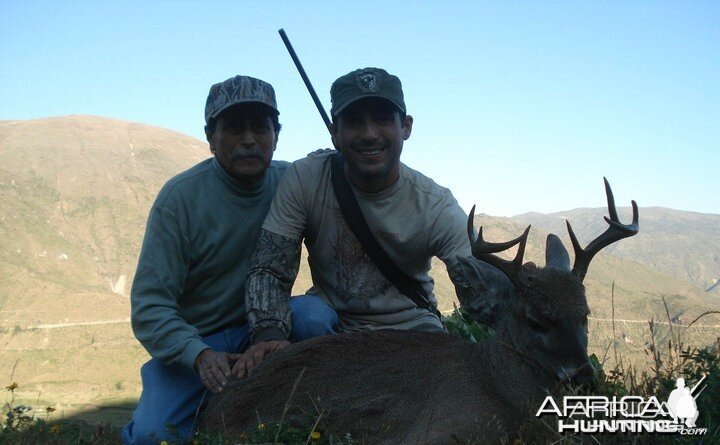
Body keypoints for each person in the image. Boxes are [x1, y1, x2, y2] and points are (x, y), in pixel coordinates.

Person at [122, 75, 336, 445]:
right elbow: (150, 306)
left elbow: (347, 174)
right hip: (200, 341)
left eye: (260, 128)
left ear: (276, 135)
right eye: (234, 128)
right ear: (211, 137)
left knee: (315, 318)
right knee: (152, 436)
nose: (249, 140)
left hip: (270, 325)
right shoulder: (180, 199)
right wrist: (199, 355)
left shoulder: (294, 183)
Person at [236, 67, 472, 376]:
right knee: (306, 316)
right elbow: (269, 267)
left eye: (383, 119)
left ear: (406, 127)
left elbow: (477, 282)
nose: (369, 133)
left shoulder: (435, 204)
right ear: (334, 132)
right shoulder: (305, 179)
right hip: (334, 327)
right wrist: (269, 336)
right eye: (354, 122)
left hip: (412, 329)